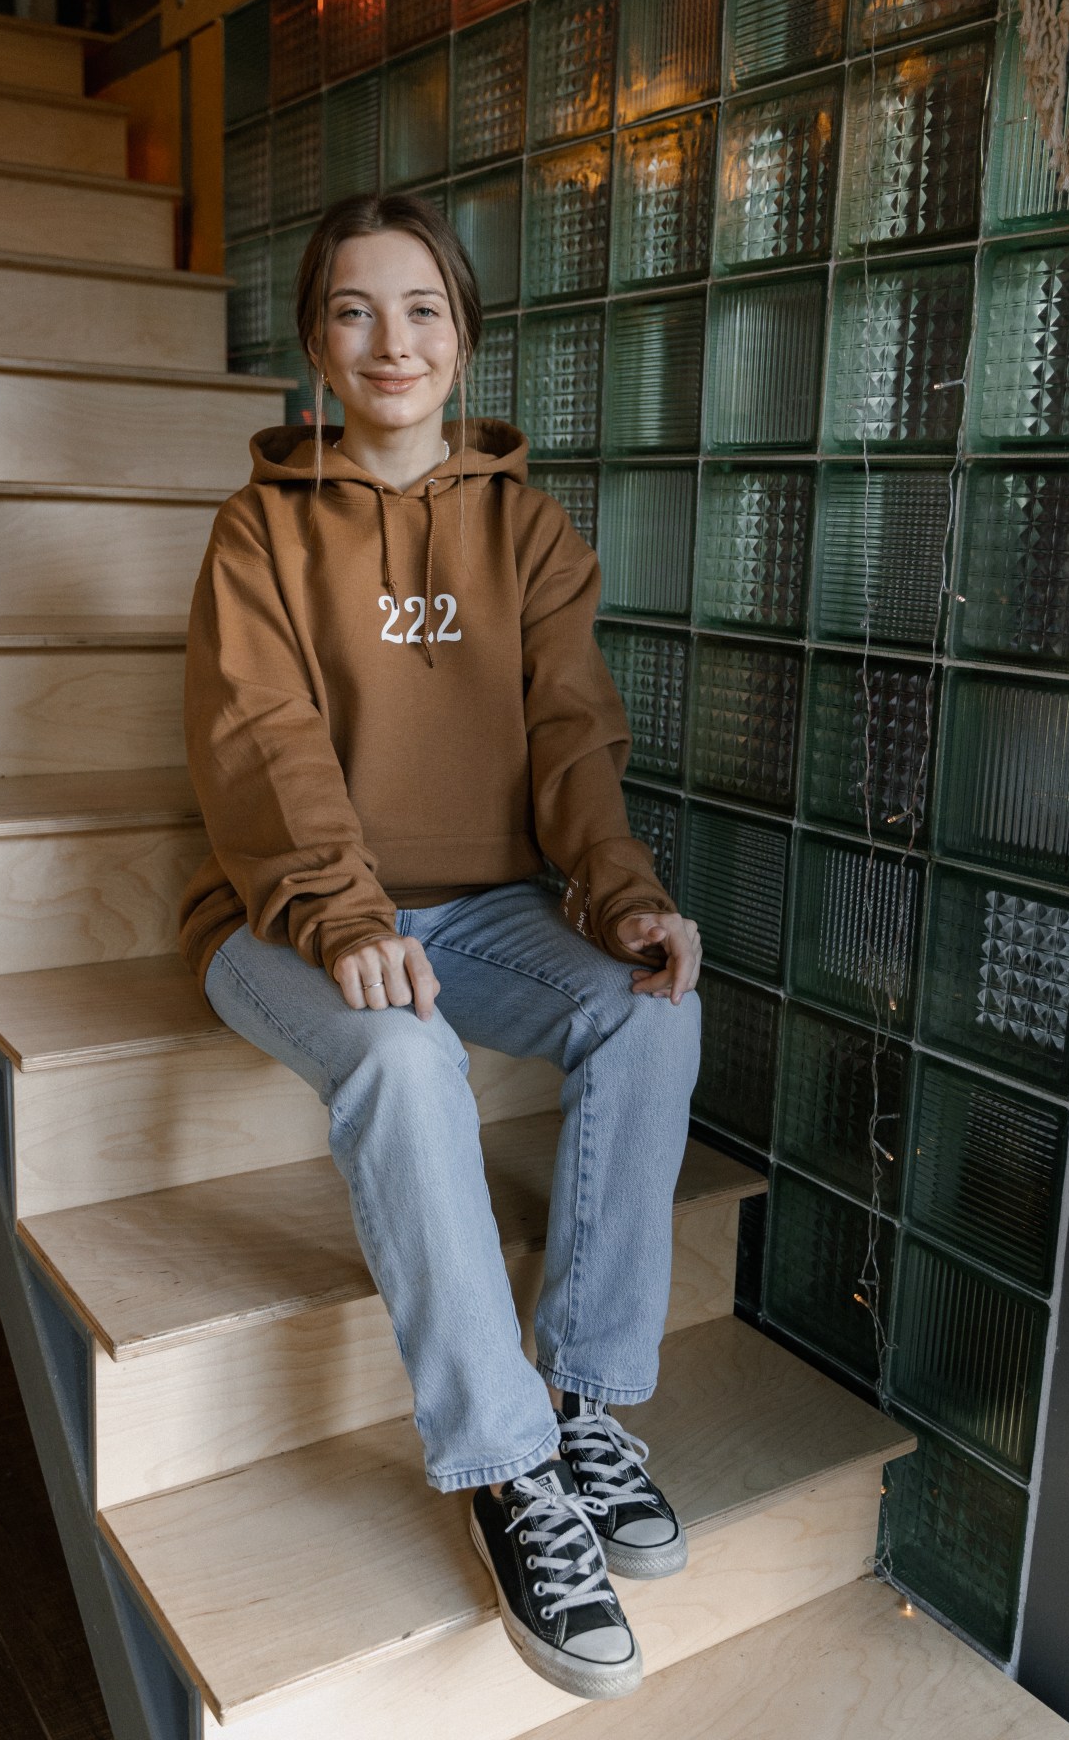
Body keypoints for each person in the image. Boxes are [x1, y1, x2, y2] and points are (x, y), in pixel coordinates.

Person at [179, 192, 704, 1701]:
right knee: (406, 1067)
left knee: (650, 1008)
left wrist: (620, 900)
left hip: (478, 914)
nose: (390, 339)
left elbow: (572, 739)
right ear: (314, 344)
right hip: (281, 916)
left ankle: (591, 1405)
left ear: (463, 335)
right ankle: (508, 1467)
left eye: (421, 308)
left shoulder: (526, 528)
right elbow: (263, 744)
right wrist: (342, 914)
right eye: (354, 308)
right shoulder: (257, 531)